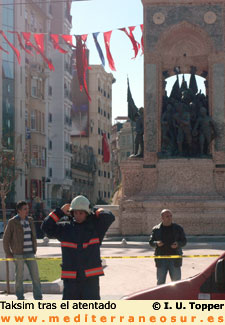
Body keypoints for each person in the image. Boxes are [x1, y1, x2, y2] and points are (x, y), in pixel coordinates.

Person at [41, 195, 115, 300]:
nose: (78, 216)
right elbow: (46, 227)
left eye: (81, 213)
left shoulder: (96, 229)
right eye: (75, 212)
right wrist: (59, 212)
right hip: (71, 281)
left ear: (87, 213)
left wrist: (92, 209)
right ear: (71, 213)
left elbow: (109, 216)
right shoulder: (65, 229)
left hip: (90, 282)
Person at [3, 201, 42, 300]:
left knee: (35, 276)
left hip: (30, 253)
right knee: (19, 276)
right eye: (25, 209)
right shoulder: (12, 222)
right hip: (18, 254)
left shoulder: (30, 220)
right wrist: (8, 253)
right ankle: (20, 297)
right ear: (19, 211)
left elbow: (33, 236)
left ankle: (38, 297)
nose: (27, 211)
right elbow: (6, 239)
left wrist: (35, 248)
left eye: (27, 209)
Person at [149, 209, 186, 285]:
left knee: (177, 283)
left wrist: (178, 244)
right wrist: (156, 243)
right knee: (160, 283)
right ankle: (160, 297)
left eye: (170, 216)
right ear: (162, 218)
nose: (170, 218)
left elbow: (184, 241)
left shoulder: (178, 228)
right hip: (161, 259)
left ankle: (176, 297)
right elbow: (151, 242)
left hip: (175, 259)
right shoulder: (156, 229)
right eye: (167, 216)